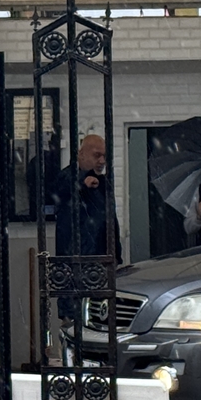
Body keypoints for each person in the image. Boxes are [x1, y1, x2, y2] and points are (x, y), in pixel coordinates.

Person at [52, 134, 122, 319]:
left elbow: (110, 220)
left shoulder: (104, 183)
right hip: (75, 262)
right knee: (74, 318)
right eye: (96, 155)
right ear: (80, 154)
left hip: (101, 262)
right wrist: (81, 182)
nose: (101, 161)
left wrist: (116, 254)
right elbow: (60, 188)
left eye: (104, 156)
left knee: (99, 317)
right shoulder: (67, 177)